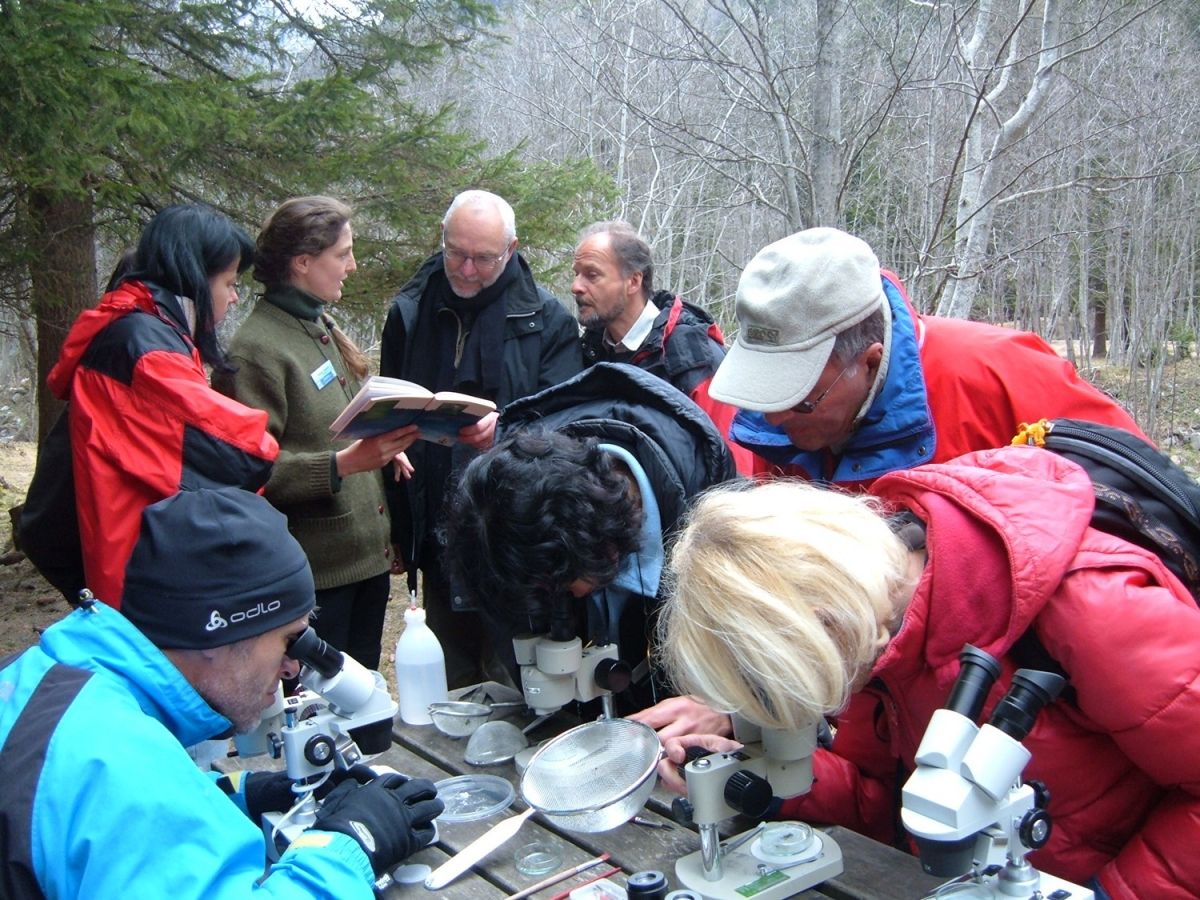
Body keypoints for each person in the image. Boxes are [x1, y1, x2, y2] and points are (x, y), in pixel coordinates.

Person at [656, 451, 1200, 900]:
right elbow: (884, 799)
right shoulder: (876, 633)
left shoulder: (1090, 607)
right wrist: (770, 783)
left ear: (822, 622)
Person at [0, 488, 443, 899]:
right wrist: (351, 845)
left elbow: (98, 826)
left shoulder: (60, 680)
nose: (292, 667)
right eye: (288, 640)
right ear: (217, 634)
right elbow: (128, 799)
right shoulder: (118, 766)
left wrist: (242, 793)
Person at [708, 227, 1146, 487]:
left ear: (871, 361)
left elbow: (1145, 499)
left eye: (799, 396)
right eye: (764, 390)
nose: (774, 418)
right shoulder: (773, 422)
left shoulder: (999, 374)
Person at [443, 362, 738, 711]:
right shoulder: (509, 509)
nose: (559, 598)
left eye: (561, 588)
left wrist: (720, 709)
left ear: (606, 549)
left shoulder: (708, 501)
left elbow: (752, 665)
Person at [380, 189, 582, 687]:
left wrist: (506, 431)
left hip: (514, 534)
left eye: (483, 259)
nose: (467, 270)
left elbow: (569, 426)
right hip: (435, 525)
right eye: (456, 254)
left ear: (511, 250)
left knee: (517, 680)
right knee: (451, 680)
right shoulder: (410, 310)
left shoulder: (547, 322)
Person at [29, 203, 277, 608]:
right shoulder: (144, 347)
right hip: (138, 572)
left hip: (132, 557)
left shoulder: (140, 328)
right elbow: (234, 450)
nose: (233, 298)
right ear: (197, 276)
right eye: (230, 282)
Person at [214, 196, 415, 673]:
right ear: (303, 263)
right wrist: (346, 464)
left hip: (364, 565)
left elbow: (329, 428)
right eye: (342, 254)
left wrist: (381, 445)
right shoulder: (257, 350)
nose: (352, 265)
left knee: (361, 708)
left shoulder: (316, 325)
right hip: (314, 580)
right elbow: (249, 474)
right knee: (318, 717)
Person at [572, 220, 757, 473]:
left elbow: (736, 464)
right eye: (576, 274)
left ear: (634, 281)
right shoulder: (590, 351)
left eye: (592, 275)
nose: (576, 287)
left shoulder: (692, 355)